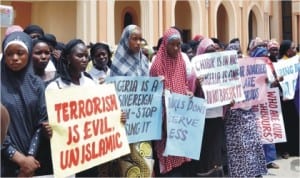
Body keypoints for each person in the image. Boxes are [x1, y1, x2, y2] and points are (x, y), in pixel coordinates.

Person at [1, 31, 48, 177]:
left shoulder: (37, 85)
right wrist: (19, 159)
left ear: (28, 54)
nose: (15, 58)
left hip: (31, 162)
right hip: (4, 162)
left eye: (20, 53)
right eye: (9, 54)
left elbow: (41, 123)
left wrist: (29, 157)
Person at [110, 24, 153, 177]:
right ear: (125, 40)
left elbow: (149, 91)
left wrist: (156, 84)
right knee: (129, 170)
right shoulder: (117, 65)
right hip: (125, 126)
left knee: (146, 166)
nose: (138, 43)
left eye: (140, 39)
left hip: (142, 125)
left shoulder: (144, 61)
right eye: (134, 39)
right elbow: (112, 98)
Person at [150, 27, 193, 176]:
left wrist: (187, 93)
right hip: (164, 123)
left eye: (178, 45)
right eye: (172, 44)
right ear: (164, 45)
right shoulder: (157, 64)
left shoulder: (181, 61)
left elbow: (184, 84)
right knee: (167, 162)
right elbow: (152, 94)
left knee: (180, 162)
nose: (176, 48)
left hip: (179, 121)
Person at [223, 46, 269, 177]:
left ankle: (255, 173)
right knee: (239, 149)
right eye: (233, 54)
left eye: (238, 53)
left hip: (249, 113)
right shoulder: (226, 73)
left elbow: (263, 84)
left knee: (254, 145)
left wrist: (265, 82)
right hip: (234, 117)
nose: (237, 56)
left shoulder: (250, 69)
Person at [190, 37, 225, 177]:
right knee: (204, 150)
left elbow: (228, 86)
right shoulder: (195, 66)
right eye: (208, 51)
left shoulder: (221, 66)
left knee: (215, 150)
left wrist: (230, 100)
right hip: (201, 115)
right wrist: (196, 84)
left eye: (214, 50)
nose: (212, 53)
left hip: (216, 114)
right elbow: (189, 88)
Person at [276, 39, 299, 158]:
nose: (296, 50)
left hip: (295, 98)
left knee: (295, 123)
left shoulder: (297, 61)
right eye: (293, 48)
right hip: (284, 99)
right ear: (287, 51)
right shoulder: (279, 64)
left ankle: (295, 149)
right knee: (285, 124)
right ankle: (285, 149)